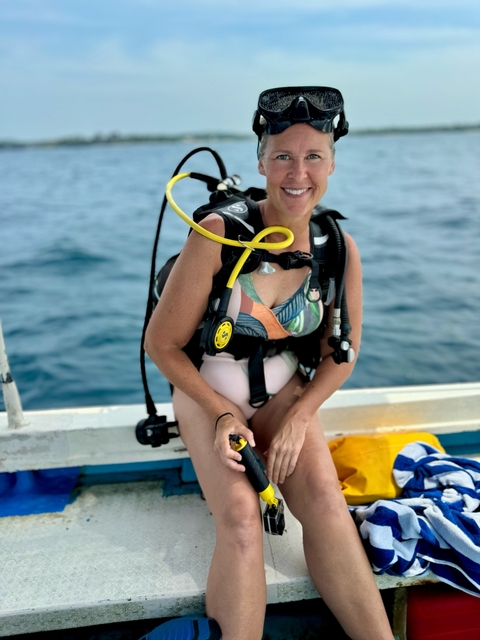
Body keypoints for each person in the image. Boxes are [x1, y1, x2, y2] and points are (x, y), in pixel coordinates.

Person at [144, 86, 394, 640]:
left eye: (312, 157)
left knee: (328, 502)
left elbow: (339, 356)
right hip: (208, 391)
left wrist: (301, 416)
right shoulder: (218, 235)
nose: (296, 172)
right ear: (261, 161)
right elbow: (160, 345)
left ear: (331, 164)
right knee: (241, 519)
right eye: (282, 156)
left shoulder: (338, 248)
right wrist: (223, 416)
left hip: (284, 392)